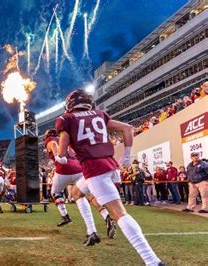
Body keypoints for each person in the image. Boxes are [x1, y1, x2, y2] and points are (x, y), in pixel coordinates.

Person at [56, 89, 162, 265]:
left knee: (119, 213)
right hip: (110, 165)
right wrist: (127, 156)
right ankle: (92, 231)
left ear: (70, 105)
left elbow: (62, 150)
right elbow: (127, 129)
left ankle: (152, 261)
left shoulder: (66, 119)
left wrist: (61, 156)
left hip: (94, 168)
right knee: (76, 192)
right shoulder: (99, 115)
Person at [44, 129, 116, 244]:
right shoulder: (65, 139)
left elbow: (53, 145)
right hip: (79, 168)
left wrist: (58, 156)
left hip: (64, 169)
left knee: (55, 192)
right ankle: (106, 215)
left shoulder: (50, 140)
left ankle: (65, 216)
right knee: (85, 195)